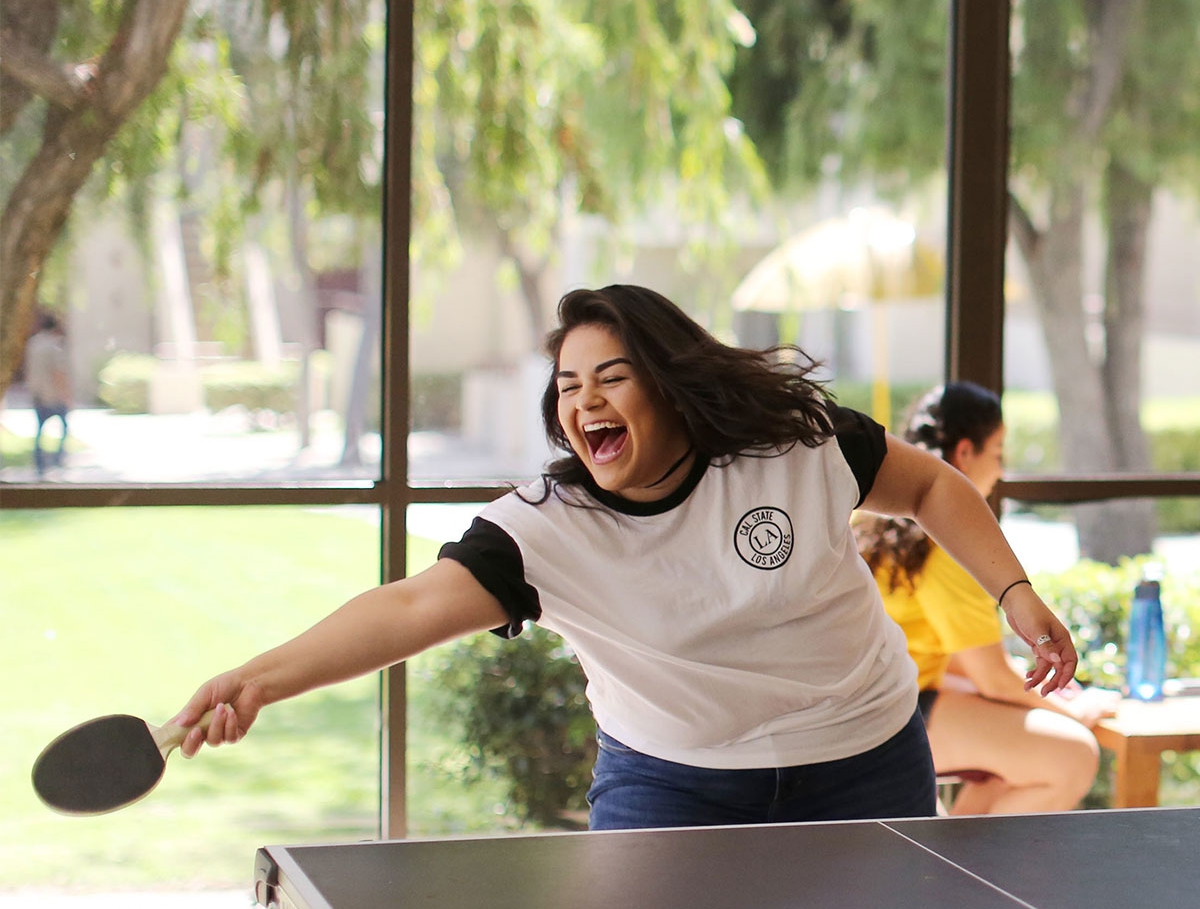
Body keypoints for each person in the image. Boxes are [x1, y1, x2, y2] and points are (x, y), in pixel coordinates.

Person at [174, 285, 1077, 830]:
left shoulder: (795, 447)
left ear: (673, 385)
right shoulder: (544, 531)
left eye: (611, 377)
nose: (585, 401)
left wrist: (1014, 592)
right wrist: (257, 679)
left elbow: (927, 488)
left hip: (864, 760)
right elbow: (409, 609)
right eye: (568, 386)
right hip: (674, 784)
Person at [856, 381, 1103, 816]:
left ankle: (955, 873)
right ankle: (966, 879)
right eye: (999, 453)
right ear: (965, 452)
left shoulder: (874, 522)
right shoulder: (948, 545)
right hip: (888, 713)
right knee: (1072, 755)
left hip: (870, 701)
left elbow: (953, 660)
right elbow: (992, 679)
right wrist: (1077, 708)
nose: (1001, 470)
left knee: (1010, 754)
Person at [24, 311, 71, 478]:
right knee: (64, 427)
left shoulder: (33, 344)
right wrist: (65, 395)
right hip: (52, 395)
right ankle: (57, 460)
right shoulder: (53, 346)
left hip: (37, 393)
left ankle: (39, 463)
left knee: (40, 429)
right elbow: (58, 373)